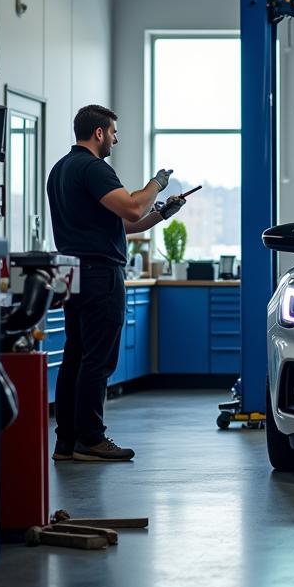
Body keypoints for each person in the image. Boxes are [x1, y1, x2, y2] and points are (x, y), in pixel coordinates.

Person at [46, 105, 186, 462]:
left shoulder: (60, 170)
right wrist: (157, 183)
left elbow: (124, 224)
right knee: (98, 360)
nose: (116, 139)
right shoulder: (93, 168)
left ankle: (67, 442)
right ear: (98, 133)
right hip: (99, 273)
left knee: (75, 357)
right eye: (113, 132)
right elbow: (133, 207)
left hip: (71, 271)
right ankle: (91, 439)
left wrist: (163, 212)